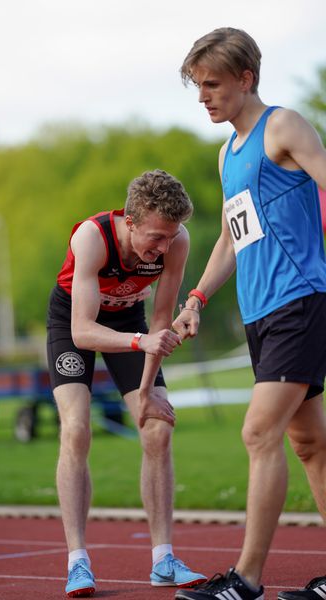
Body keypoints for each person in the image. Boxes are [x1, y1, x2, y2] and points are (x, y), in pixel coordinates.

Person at [172, 27, 326, 600]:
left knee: (259, 432)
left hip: (300, 301)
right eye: (197, 87)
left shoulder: (283, 126)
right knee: (309, 444)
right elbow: (234, 238)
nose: (204, 96)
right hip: (259, 313)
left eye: (212, 84)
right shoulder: (227, 153)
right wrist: (195, 300)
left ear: (246, 78)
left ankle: (246, 580)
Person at [46, 169, 207, 597]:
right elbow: (82, 331)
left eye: (170, 237)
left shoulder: (177, 241)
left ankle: (164, 560)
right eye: (156, 237)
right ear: (130, 221)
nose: (164, 247)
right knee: (77, 430)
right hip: (74, 323)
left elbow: (161, 322)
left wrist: (148, 394)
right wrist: (141, 342)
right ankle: (77, 561)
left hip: (133, 322)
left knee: (157, 427)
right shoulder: (91, 237)